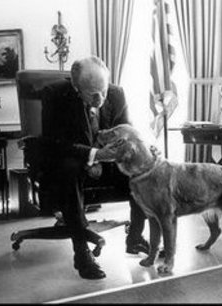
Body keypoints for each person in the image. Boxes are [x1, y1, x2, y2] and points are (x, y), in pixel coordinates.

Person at [39, 56, 149, 279]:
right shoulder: (55, 95)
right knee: (69, 170)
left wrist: (144, 150)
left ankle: (135, 237)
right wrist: (94, 154)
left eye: (103, 91)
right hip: (72, 162)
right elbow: (54, 143)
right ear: (76, 86)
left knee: (141, 170)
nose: (100, 99)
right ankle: (81, 252)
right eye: (92, 93)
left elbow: (127, 131)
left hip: (109, 163)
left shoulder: (117, 93)